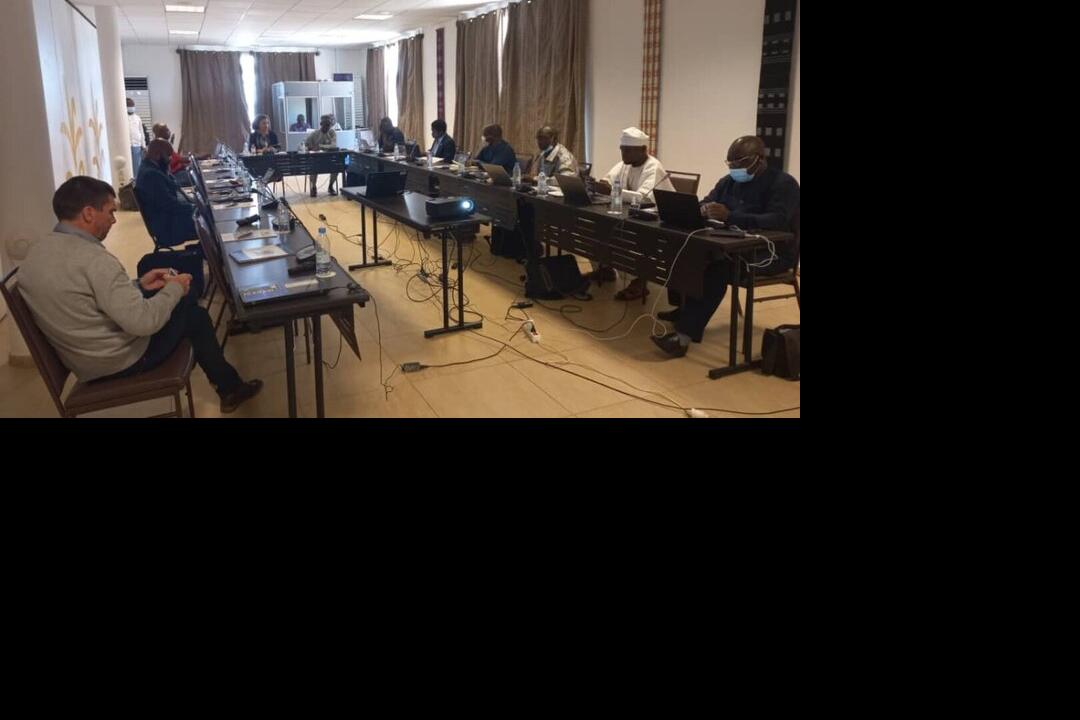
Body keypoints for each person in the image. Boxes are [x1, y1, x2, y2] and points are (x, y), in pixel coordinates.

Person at [16, 176, 263, 413]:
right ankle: (231, 389)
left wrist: (138, 285)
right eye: (110, 212)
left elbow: (85, 298)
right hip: (119, 360)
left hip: (86, 358)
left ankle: (229, 386)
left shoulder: (37, 253)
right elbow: (143, 323)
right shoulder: (93, 259)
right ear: (89, 213)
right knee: (194, 314)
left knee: (183, 302)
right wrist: (175, 287)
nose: (114, 220)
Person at [651, 136, 800, 358]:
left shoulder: (783, 184)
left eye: (740, 163)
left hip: (771, 253)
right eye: (731, 163)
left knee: (718, 266)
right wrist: (703, 209)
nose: (734, 168)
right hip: (731, 244)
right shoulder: (728, 182)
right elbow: (706, 200)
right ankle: (684, 310)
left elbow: (777, 220)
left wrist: (731, 216)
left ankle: (683, 337)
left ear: (759, 159)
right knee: (685, 251)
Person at [586, 126, 676, 300]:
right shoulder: (625, 164)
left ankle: (639, 282)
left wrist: (612, 190)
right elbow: (607, 180)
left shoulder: (653, 167)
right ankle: (605, 269)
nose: (623, 154)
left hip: (657, 222)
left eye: (628, 150)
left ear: (643, 150)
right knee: (596, 227)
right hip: (632, 215)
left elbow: (645, 198)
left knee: (630, 236)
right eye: (622, 149)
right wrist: (599, 184)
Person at [135, 139, 197, 248]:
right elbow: (171, 205)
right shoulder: (151, 175)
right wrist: (195, 208)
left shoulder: (151, 167)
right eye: (168, 156)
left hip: (169, 219)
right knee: (211, 222)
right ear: (157, 155)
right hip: (169, 228)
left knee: (208, 216)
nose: (170, 160)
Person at [304, 115, 338, 197]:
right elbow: (305, 145)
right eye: (325, 124)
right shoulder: (314, 134)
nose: (327, 127)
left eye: (329, 125)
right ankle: (313, 187)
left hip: (329, 160)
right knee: (313, 168)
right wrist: (310, 148)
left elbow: (333, 146)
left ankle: (330, 186)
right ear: (321, 124)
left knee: (337, 168)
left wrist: (320, 146)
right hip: (316, 160)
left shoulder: (332, 132)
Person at [126, 98, 147, 181]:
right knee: (128, 167)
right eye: (129, 105)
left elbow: (141, 132)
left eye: (132, 105)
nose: (131, 107)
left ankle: (137, 182)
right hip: (127, 146)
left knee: (137, 167)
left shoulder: (137, 118)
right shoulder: (123, 118)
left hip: (137, 145)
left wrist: (143, 145)